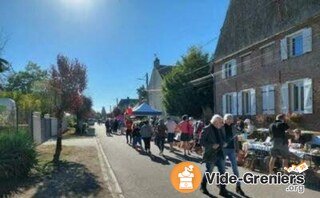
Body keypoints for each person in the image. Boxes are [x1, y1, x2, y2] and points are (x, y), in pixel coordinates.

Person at [200, 114, 229, 197]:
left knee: (223, 172)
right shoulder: (207, 129)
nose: (221, 124)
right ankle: (203, 186)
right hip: (211, 154)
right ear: (215, 122)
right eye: (220, 122)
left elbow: (223, 139)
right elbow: (201, 142)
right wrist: (211, 145)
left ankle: (223, 189)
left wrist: (224, 143)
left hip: (220, 154)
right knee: (209, 172)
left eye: (221, 122)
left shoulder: (220, 129)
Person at [222, 114, 245, 196]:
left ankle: (238, 186)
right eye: (227, 118)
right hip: (223, 150)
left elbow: (236, 138)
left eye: (230, 119)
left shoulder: (234, 127)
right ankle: (222, 185)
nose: (229, 120)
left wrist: (237, 150)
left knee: (235, 168)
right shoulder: (220, 127)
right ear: (224, 120)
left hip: (232, 149)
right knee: (222, 168)